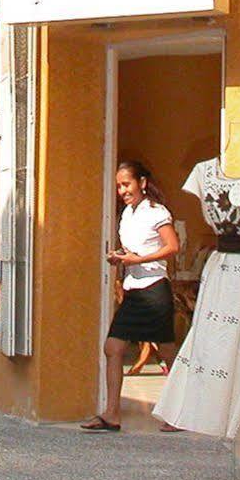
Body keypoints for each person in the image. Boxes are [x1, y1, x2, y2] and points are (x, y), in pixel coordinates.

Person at [82, 160, 182, 432]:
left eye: (126, 184)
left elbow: (173, 246)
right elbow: (133, 251)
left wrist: (140, 259)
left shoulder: (156, 212)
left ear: (142, 183)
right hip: (133, 291)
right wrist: (121, 258)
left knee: (167, 352)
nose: (122, 190)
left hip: (154, 290)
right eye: (118, 186)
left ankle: (180, 413)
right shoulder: (127, 213)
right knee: (113, 347)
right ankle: (112, 413)